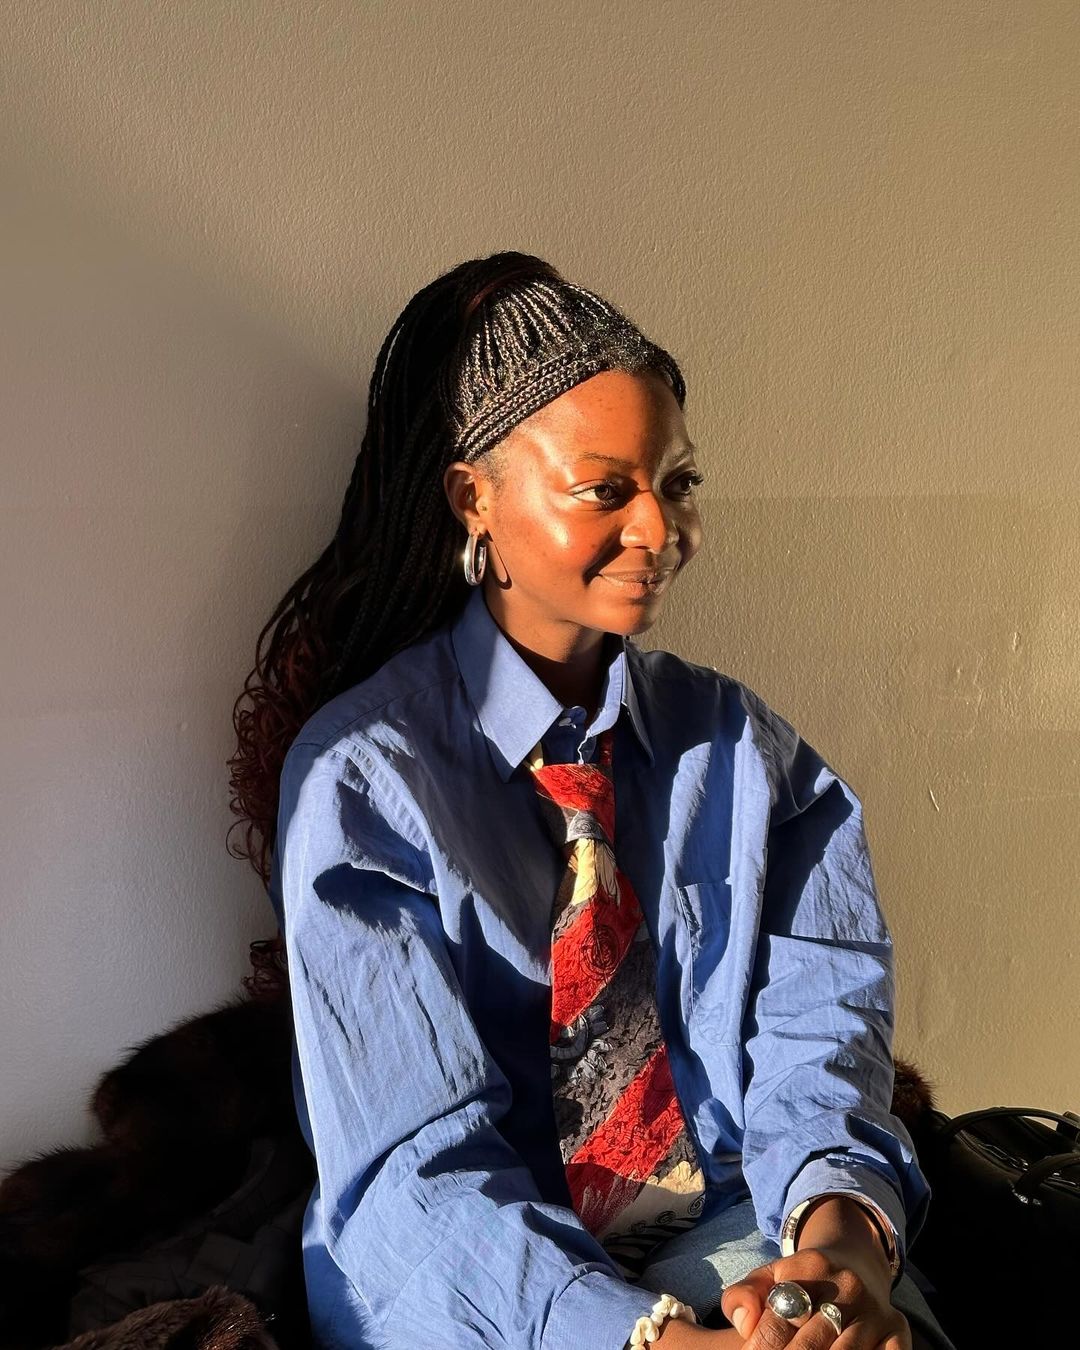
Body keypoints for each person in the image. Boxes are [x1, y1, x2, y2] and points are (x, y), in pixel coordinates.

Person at [227, 253, 956, 1350]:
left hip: (729, 1229)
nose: (659, 529)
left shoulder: (740, 750)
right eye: (607, 490)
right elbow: (415, 1177)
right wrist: (652, 1340)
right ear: (475, 499)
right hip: (478, 1290)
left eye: (678, 484)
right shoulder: (366, 781)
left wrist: (842, 1249)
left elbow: (823, 1034)